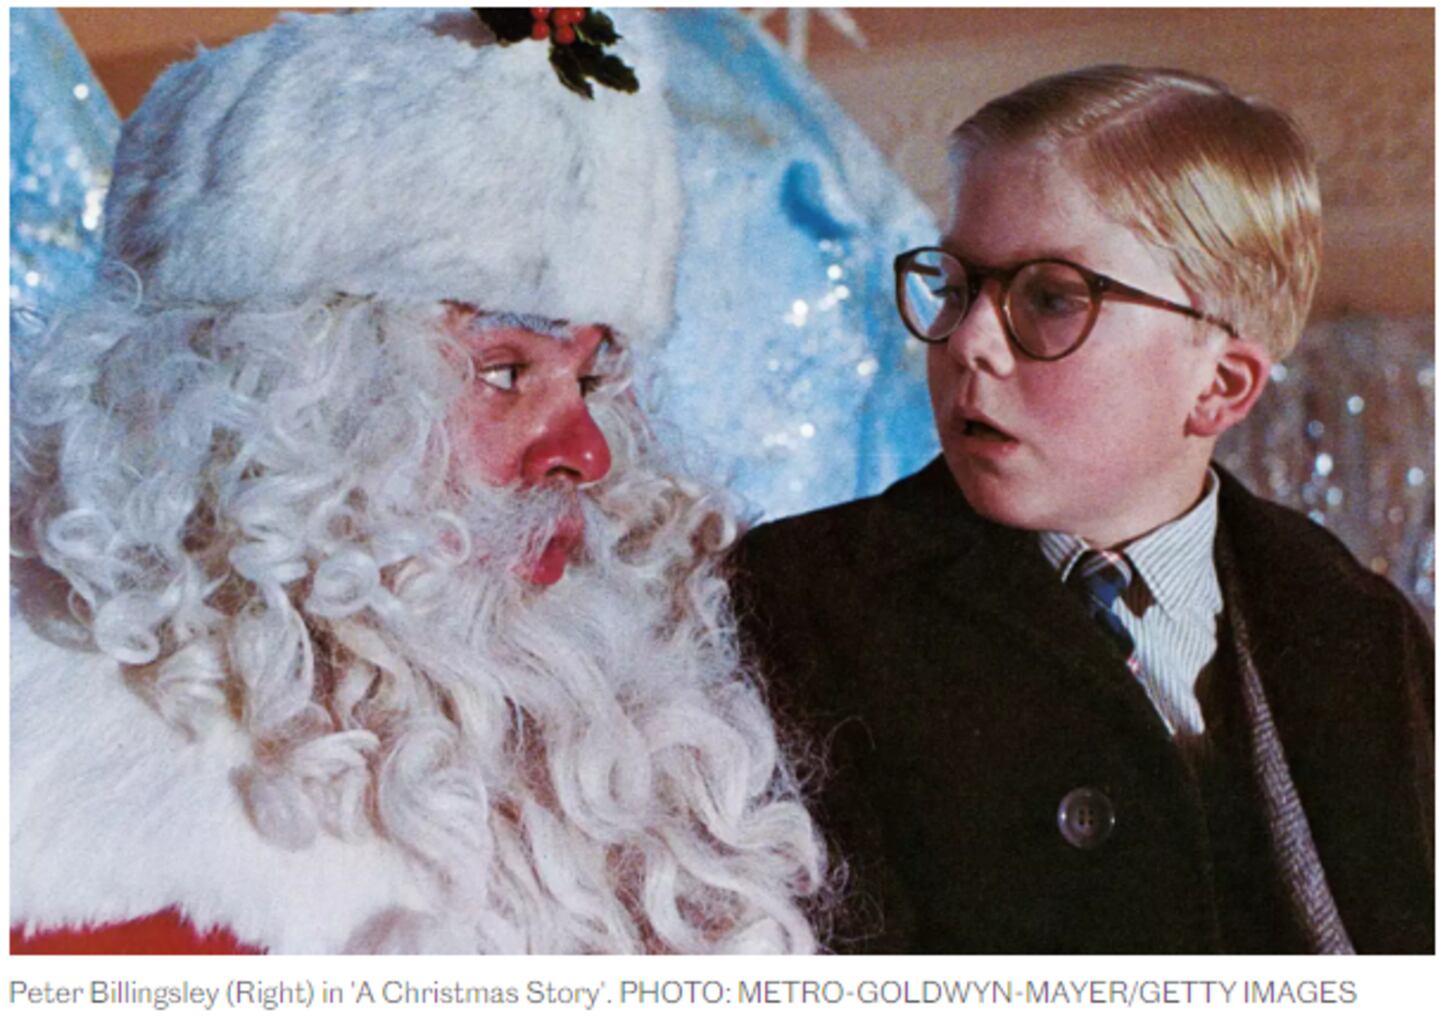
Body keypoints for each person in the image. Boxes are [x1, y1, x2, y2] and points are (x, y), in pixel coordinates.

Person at [10, 8, 824, 955]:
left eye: (595, 378)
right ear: (275, 406)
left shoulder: (642, 734)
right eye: (505, 371)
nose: (588, 454)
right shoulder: (98, 842)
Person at [734, 65, 1433, 954]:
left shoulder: (1356, 629)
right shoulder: (795, 603)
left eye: (1051, 297)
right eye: (957, 285)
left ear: (1219, 387)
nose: (969, 341)